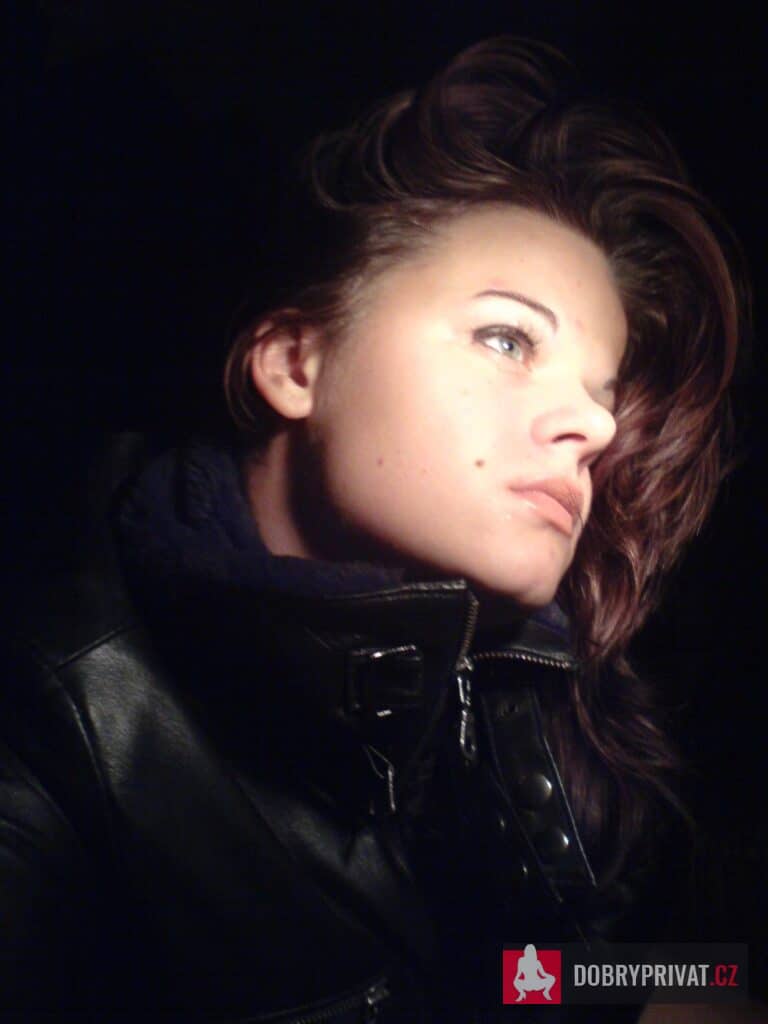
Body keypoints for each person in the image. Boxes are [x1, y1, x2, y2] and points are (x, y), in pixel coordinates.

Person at [0, 36, 747, 1023]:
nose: (596, 428)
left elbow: (515, 981)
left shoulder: (518, 684)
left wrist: (695, 986)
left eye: (601, 395)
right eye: (507, 337)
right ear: (294, 364)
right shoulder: (49, 745)